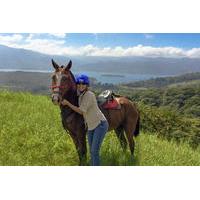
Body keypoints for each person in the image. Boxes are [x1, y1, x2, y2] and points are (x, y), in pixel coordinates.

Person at [61, 74, 108, 166]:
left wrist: (67, 103)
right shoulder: (81, 94)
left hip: (100, 124)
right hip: (91, 126)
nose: (81, 85)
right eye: (79, 84)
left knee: (94, 151)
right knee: (91, 151)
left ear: (87, 85)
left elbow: (81, 111)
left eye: (83, 84)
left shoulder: (89, 95)